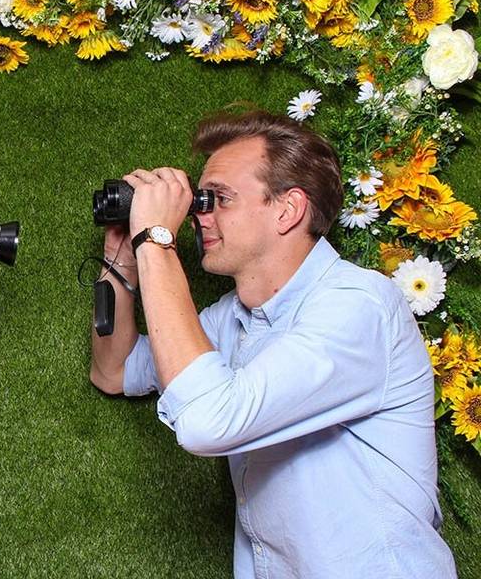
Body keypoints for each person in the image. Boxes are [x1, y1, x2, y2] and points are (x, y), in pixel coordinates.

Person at [89, 110, 456, 578]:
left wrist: (156, 238)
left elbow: (207, 423)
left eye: (218, 198)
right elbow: (113, 370)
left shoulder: (359, 306)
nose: (200, 214)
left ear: (288, 209)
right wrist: (122, 256)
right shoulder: (232, 317)